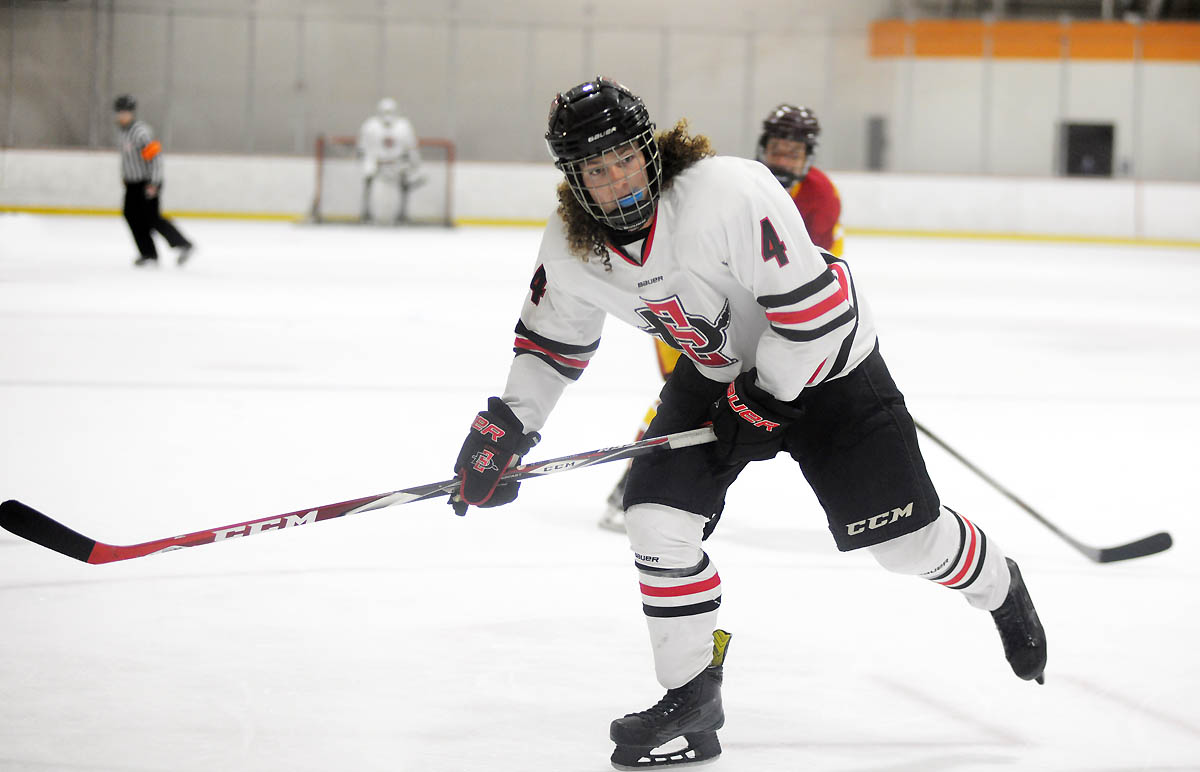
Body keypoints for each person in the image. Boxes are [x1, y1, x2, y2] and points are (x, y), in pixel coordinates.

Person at [448, 77, 1047, 770]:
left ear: (650, 149)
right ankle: (692, 700)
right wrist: (506, 431)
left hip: (829, 366)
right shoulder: (571, 248)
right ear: (574, 179)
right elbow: (550, 349)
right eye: (595, 170)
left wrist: (766, 401)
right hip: (720, 373)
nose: (617, 180)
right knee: (654, 519)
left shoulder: (727, 192)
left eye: (624, 159)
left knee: (905, 547)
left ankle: (1000, 584)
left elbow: (813, 319)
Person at [597, 103, 843, 532]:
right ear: (763, 147)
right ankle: (637, 482)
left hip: (763, 316)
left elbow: (816, 275)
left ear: (809, 156)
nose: (783, 159)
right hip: (695, 309)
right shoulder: (735, 185)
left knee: (753, 403)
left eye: (793, 151)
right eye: (777, 149)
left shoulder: (821, 197)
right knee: (683, 397)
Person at [113, 94, 193, 268]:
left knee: (152, 217)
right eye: (119, 112)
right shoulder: (122, 133)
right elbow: (128, 159)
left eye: (126, 111)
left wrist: (154, 183)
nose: (122, 115)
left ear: (132, 112)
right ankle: (148, 254)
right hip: (133, 183)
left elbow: (155, 159)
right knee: (131, 216)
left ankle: (183, 244)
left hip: (147, 182)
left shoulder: (141, 132)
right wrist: (125, 177)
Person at [357, 97, 423, 224]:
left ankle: (402, 213)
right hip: (376, 161)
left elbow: (411, 148)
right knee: (367, 175)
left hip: (397, 162)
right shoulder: (370, 126)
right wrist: (365, 161)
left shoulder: (404, 126)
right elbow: (363, 148)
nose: (387, 115)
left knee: (405, 179)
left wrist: (414, 164)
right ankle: (366, 212)